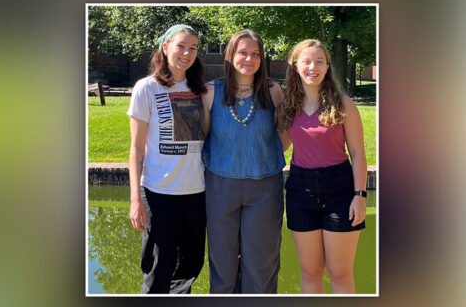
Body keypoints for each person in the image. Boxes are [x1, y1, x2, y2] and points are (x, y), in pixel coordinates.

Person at [276, 39, 367, 294]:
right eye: (306, 61)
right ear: (295, 66)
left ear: (327, 67)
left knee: (340, 273)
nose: (312, 67)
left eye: (319, 62)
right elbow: (280, 147)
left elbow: (358, 153)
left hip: (340, 189)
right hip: (300, 191)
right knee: (311, 272)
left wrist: (360, 196)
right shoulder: (288, 106)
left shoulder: (343, 104)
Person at [201, 29, 286, 294]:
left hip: (264, 188)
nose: (249, 58)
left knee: (261, 265)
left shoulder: (273, 91)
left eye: (255, 54)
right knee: (222, 264)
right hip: (220, 187)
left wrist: (256, 158)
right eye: (242, 52)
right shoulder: (211, 92)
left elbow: (283, 138)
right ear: (230, 55)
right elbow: (203, 139)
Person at [127, 24, 207, 294]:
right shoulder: (146, 88)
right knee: (158, 268)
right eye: (181, 46)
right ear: (165, 47)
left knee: (191, 266)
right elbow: (136, 149)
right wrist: (135, 199)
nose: (187, 53)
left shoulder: (201, 90)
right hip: (159, 192)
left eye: (193, 48)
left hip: (197, 193)